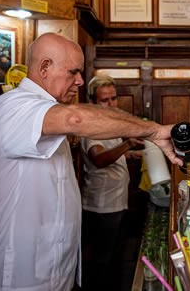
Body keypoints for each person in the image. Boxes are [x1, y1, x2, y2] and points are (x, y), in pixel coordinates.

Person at [0, 33, 184, 291]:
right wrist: (154, 131)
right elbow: (76, 120)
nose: (80, 80)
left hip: (55, 272)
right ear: (44, 67)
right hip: (19, 276)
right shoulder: (12, 106)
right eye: (73, 72)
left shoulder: (47, 109)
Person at [80, 75, 145, 289]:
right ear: (92, 102)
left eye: (114, 98)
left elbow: (110, 152)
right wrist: (127, 145)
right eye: (104, 100)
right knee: (103, 261)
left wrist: (129, 156)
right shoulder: (91, 126)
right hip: (102, 205)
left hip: (116, 201)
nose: (111, 104)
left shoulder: (108, 124)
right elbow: (99, 159)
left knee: (116, 256)